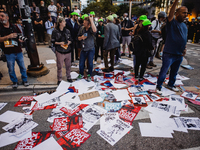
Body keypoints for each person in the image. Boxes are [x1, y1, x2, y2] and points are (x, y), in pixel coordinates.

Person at [156, 0, 188, 93]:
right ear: (177, 13)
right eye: (183, 13)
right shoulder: (172, 22)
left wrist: (185, 48)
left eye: (186, 13)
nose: (186, 14)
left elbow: (184, 38)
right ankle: (159, 86)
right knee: (164, 70)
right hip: (169, 53)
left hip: (179, 53)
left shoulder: (184, 25)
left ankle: (171, 84)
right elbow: (170, 14)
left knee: (174, 71)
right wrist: (176, 2)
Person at [0, 11, 29, 88]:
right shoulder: (0, 28)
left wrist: (20, 40)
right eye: (0, 16)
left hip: (18, 50)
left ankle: (25, 79)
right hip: (8, 52)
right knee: (11, 68)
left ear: (7, 17)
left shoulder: (15, 26)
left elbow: (20, 35)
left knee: (22, 66)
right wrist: (8, 36)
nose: (1, 18)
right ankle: (14, 81)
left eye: (2, 16)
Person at [51, 17, 73, 85]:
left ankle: (68, 77)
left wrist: (69, 42)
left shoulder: (67, 31)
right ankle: (59, 79)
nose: (65, 23)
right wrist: (60, 43)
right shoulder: (55, 31)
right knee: (59, 66)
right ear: (60, 23)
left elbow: (71, 39)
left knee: (68, 65)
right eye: (63, 22)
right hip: (60, 51)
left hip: (67, 50)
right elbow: (53, 41)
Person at [77, 16, 97, 81]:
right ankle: (81, 74)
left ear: (89, 24)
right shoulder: (82, 28)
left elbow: (95, 30)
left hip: (91, 49)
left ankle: (89, 75)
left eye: (85, 23)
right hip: (83, 49)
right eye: (83, 22)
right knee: (81, 63)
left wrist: (91, 20)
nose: (83, 23)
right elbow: (78, 38)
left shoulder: (91, 29)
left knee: (90, 63)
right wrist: (81, 37)